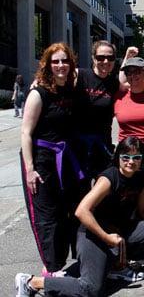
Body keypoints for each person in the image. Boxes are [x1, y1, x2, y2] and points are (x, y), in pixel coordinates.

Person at [15, 137, 144, 297]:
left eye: (136, 157)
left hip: (118, 231)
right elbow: (81, 211)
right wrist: (107, 238)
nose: (131, 162)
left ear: (142, 159)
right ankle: (31, 282)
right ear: (118, 158)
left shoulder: (139, 179)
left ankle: (115, 267)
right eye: (126, 157)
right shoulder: (108, 179)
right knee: (91, 289)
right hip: (93, 234)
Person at [20, 42, 82, 277]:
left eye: (64, 61)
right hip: (41, 160)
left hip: (65, 159)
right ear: (47, 64)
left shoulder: (70, 89)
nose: (60, 65)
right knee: (47, 217)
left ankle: (59, 264)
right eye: (55, 61)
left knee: (67, 212)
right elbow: (25, 132)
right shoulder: (39, 92)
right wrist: (29, 169)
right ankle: (50, 269)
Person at [114, 57, 144, 215]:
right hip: (126, 154)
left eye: (137, 71)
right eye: (129, 72)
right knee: (126, 197)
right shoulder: (118, 96)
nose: (133, 75)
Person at [73, 40, 121, 179]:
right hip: (78, 146)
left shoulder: (114, 83)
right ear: (93, 58)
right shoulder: (79, 75)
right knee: (80, 193)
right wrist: (38, 82)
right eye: (101, 57)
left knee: (105, 192)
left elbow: (136, 83)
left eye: (110, 58)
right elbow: (55, 79)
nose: (106, 61)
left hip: (103, 145)